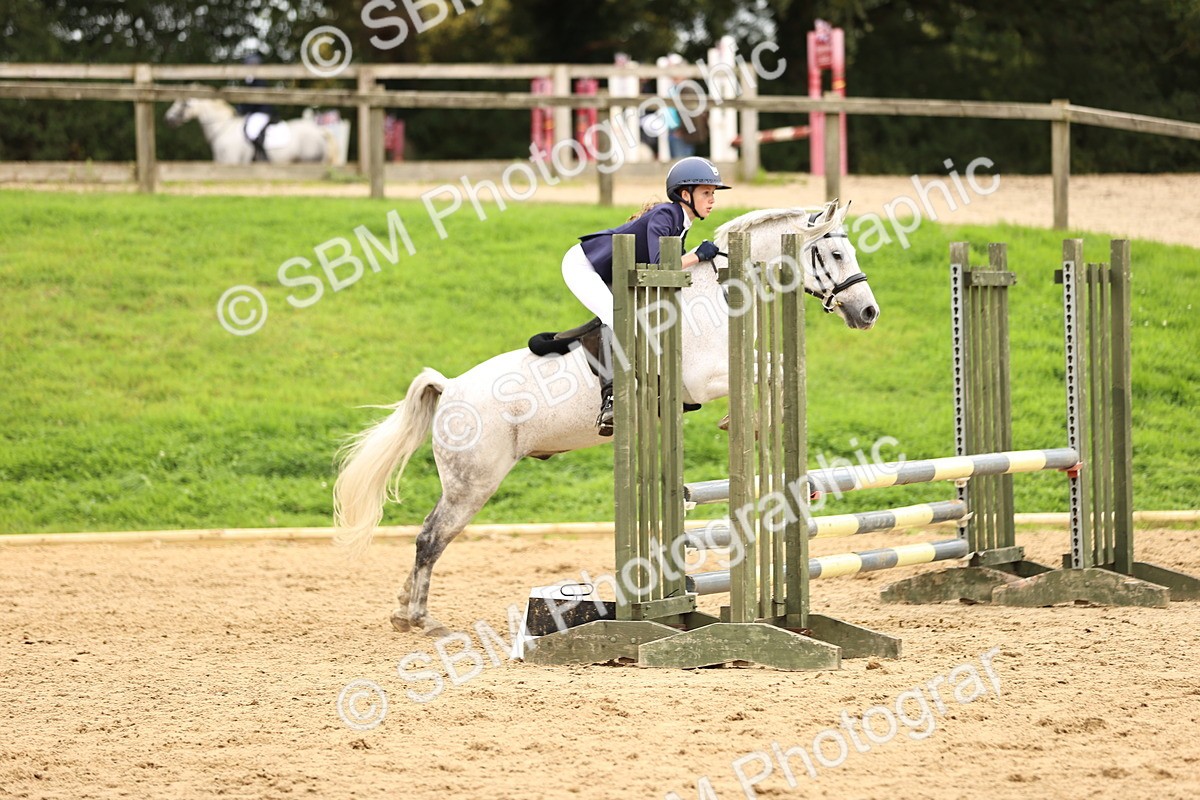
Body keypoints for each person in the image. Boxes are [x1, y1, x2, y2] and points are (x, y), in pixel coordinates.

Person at [563, 156, 732, 435]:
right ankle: (613, 399)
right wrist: (697, 255)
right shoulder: (667, 215)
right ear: (684, 194)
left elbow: (667, 271)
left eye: (713, 194)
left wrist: (694, 258)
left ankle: (662, 385)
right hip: (583, 266)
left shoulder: (681, 223)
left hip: (617, 272)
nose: (712, 200)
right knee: (622, 321)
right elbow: (660, 266)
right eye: (706, 193)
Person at [236, 53, 275, 162]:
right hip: (254, 112)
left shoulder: (259, 79)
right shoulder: (250, 79)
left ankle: (262, 156)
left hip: (261, 112)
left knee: (252, 131)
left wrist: (242, 110)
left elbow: (254, 100)